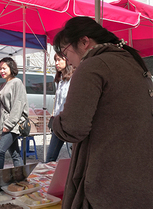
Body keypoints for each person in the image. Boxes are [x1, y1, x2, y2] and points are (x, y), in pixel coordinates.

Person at [52, 16, 152, 208]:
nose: (68, 61)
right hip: (140, 179)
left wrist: (55, 122)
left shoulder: (92, 66)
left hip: (105, 184)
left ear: (84, 41)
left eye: (66, 53)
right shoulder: (133, 63)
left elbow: (73, 128)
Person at [0, 57, 29, 169]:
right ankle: (22, 178)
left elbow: (18, 105)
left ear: (11, 68)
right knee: (15, 154)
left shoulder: (16, 83)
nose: (1, 71)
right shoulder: (3, 85)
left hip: (12, 126)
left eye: (4, 68)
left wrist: (8, 124)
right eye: (0, 69)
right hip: (5, 125)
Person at [46, 53, 74, 162]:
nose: (56, 63)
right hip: (58, 123)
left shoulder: (73, 79)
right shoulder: (60, 80)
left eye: (59, 60)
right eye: (55, 60)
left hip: (69, 124)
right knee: (50, 158)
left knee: (73, 157)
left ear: (67, 60)